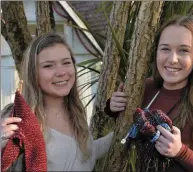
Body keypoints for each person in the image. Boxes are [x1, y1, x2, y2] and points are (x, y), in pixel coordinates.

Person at [105, 15, 193, 172]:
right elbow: (123, 120)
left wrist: (181, 153)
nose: (172, 59)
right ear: (156, 53)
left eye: (183, 50)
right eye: (165, 49)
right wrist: (112, 107)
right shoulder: (142, 88)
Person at [1, 33, 113, 171]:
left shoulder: (75, 112)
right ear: (33, 73)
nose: (61, 72)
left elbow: (84, 154)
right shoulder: (17, 117)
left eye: (66, 62)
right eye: (48, 66)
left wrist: (126, 127)